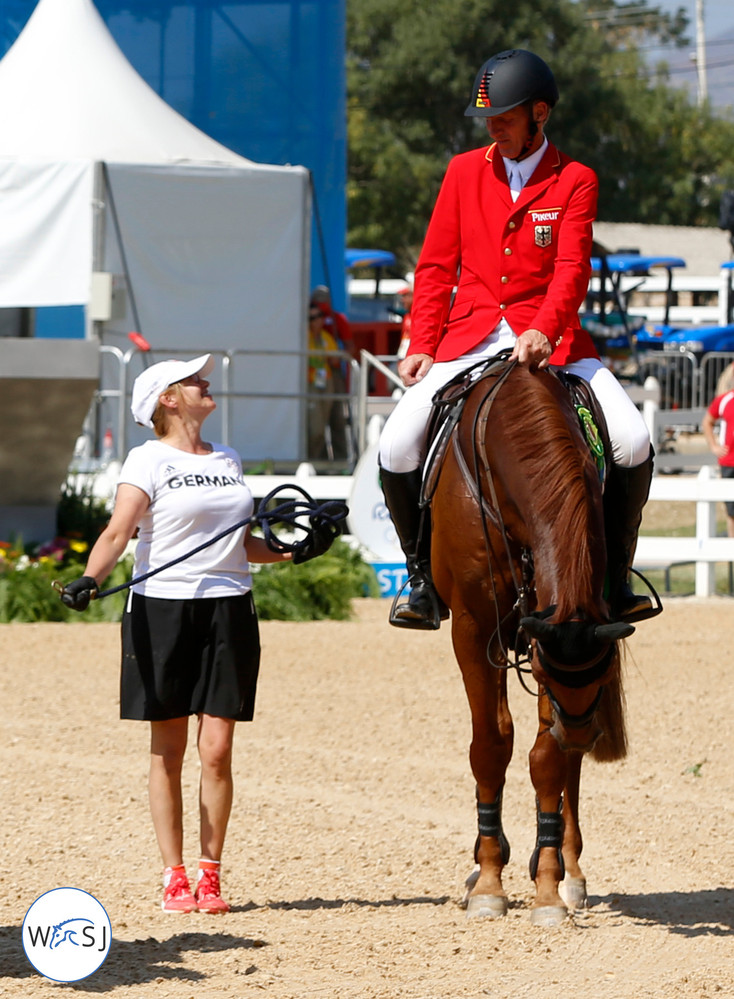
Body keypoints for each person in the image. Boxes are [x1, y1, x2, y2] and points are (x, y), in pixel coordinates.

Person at [378, 48, 655, 629]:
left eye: (504, 117)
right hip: (470, 338)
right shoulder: (462, 172)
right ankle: (421, 580)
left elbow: (571, 270)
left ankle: (615, 577)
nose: (493, 128)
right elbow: (435, 267)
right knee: (396, 445)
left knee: (632, 442)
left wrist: (544, 330)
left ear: (540, 113)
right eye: (488, 119)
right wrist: (424, 342)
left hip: (552, 341)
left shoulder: (575, 179)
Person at [60, 354, 322, 914]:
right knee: (169, 749)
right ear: (168, 399)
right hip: (163, 611)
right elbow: (118, 531)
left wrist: (294, 551)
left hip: (230, 608)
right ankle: (173, 875)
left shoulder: (228, 458)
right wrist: (88, 578)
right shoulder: (146, 458)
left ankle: (211, 875)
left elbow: (238, 544)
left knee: (219, 749)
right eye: (194, 380)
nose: (206, 382)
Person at [307, 304, 340, 460]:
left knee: (325, 422)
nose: (316, 321)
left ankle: (319, 458)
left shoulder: (326, 337)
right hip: (310, 383)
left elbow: (335, 360)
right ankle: (311, 458)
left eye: (319, 316)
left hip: (326, 381)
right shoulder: (304, 336)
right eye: (311, 318)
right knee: (316, 427)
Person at [703, 386, 734, 536]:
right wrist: (714, 446)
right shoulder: (725, 400)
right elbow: (707, 421)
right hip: (729, 463)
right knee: (732, 512)